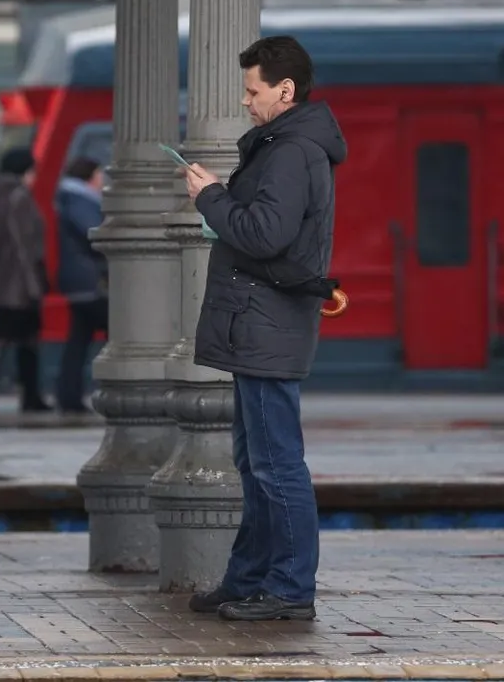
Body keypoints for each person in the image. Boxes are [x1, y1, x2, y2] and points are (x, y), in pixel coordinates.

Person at [180, 35, 347, 622]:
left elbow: (264, 234)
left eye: (253, 91)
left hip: (268, 322)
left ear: (285, 89)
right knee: (257, 462)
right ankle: (249, 577)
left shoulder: (291, 151)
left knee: (277, 463)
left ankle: (291, 588)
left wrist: (211, 198)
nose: (247, 102)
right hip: (259, 323)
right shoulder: (285, 145)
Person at [0, 148, 52, 412]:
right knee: (24, 341)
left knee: (4, 338)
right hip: (18, 284)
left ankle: (23, 394)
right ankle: (30, 396)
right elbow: (24, 244)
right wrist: (34, 282)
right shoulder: (18, 197)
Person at [53, 157, 108, 413]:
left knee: (79, 339)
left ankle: (69, 396)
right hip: (91, 281)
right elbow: (94, 232)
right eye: (99, 175)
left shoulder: (71, 199)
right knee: (122, 331)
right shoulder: (81, 201)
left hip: (80, 281)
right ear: (89, 177)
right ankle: (112, 388)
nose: (102, 181)